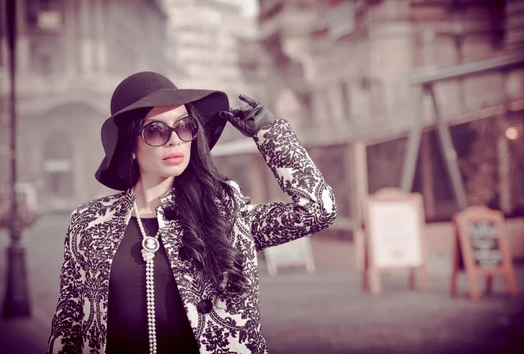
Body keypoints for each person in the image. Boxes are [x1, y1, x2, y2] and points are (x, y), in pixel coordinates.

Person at [46, 71, 337, 354]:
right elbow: (68, 325)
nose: (174, 140)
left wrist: (270, 134)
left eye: (184, 126)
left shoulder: (225, 215)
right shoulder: (89, 224)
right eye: (156, 130)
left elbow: (317, 210)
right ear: (129, 144)